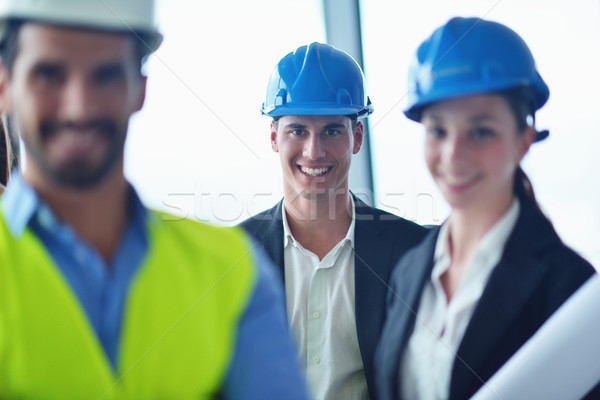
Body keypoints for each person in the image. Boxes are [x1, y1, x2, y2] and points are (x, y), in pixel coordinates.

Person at [0, 0, 308, 398]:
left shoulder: (230, 272)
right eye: (49, 75)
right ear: (5, 87)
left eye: (106, 76)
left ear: (140, 90)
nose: (78, 106)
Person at [375, 17, 597, 400]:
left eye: (480, 131)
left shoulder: (572, 288)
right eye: (438, 131)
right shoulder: (409, 270)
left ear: (524, 139)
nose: (453, 155)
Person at [241, 42, 428, 399]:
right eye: (297, 131)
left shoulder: (414, 253)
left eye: (331, 131)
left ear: (356, 137)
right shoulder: (234, 257)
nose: (314, 151)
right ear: (273, 138)